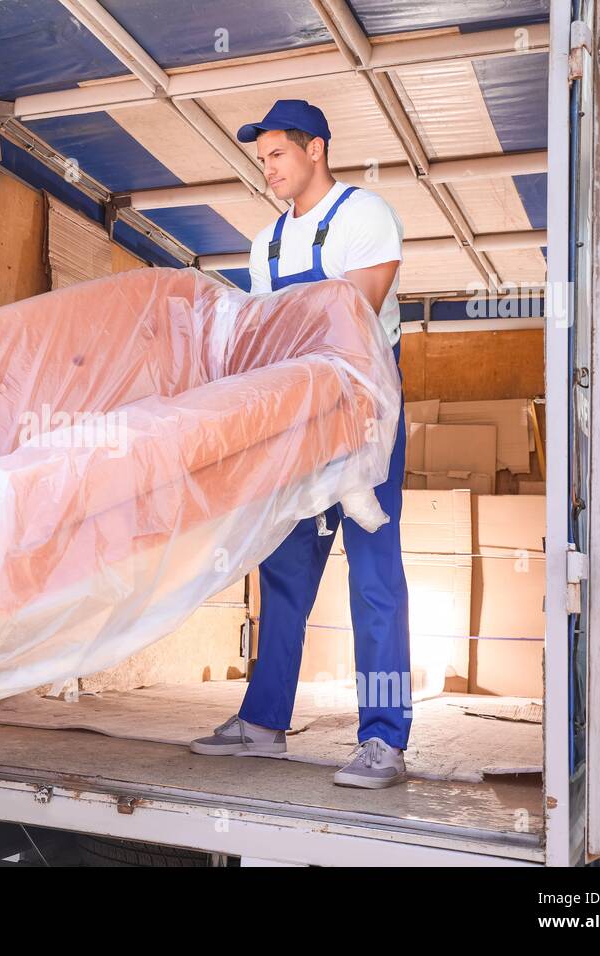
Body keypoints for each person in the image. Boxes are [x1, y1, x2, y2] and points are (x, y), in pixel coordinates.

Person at [189, 99, 413, 789]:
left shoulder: (364, 216)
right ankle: (263, 723)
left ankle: (384, 740)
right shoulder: (268, 244)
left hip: (363, 409)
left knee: (373, 571)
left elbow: (352, 319)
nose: (269, 171)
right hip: (299, 415)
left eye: (277, 156)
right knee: (284, 567)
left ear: (315, 148)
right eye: (262, 162)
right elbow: (265, 338)